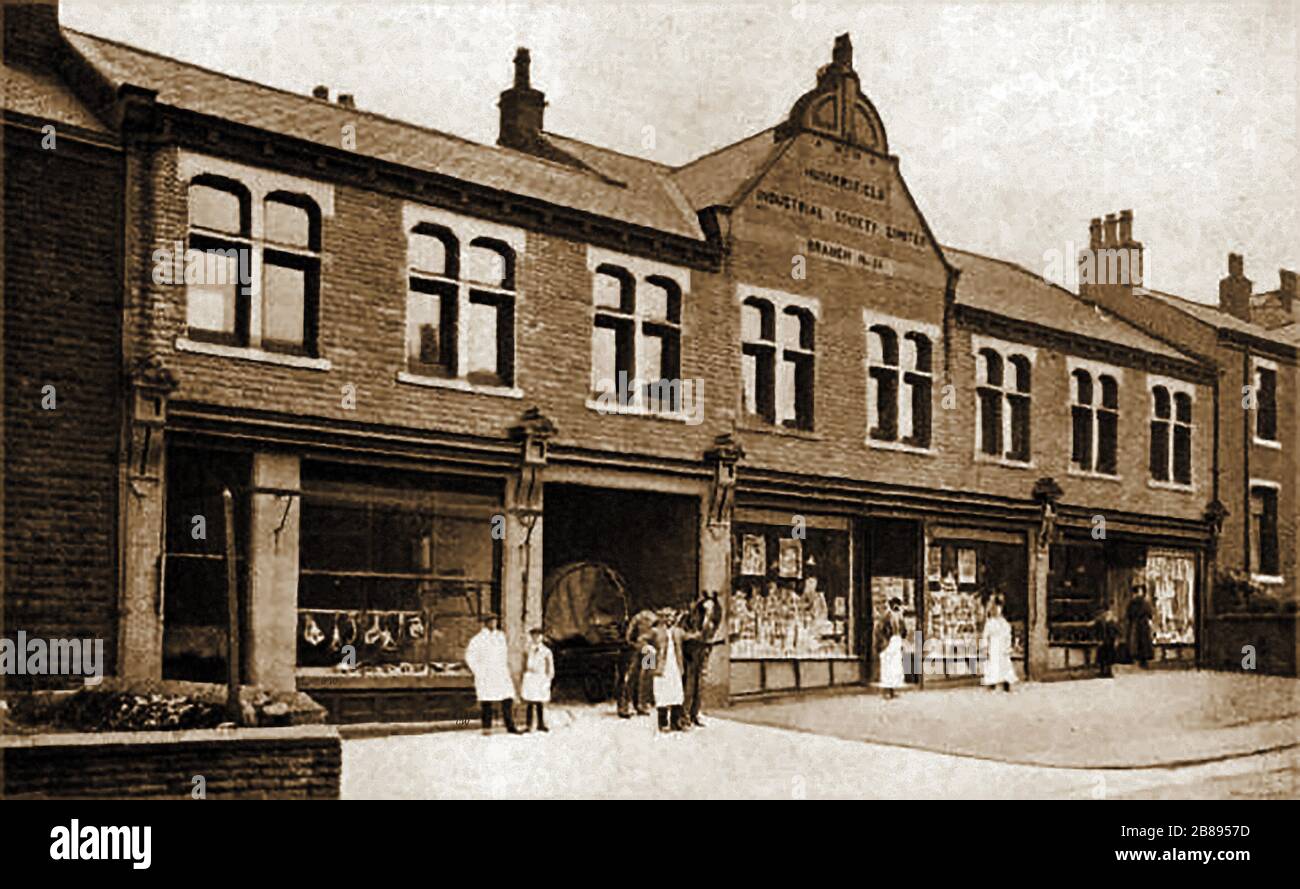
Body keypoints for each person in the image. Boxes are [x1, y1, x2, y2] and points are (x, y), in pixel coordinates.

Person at [464, 614, 521, 735]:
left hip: (500, 672)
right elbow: (470, 657)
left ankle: (510, 726)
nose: (493, 624)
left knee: (507, 698)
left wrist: (505, 669)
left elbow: (503, 655)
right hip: (486, 673)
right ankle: (486, 728)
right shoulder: (478, 639)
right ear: (485, 623)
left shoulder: (500, 636)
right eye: (491, 621)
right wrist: (478, 671)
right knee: (487, 701)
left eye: (495, 621)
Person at [649, 608, 697, 732]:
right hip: (660, 667)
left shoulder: (678, 632)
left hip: (674, 666)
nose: (670, 619)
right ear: (662, 618)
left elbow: (692, 637)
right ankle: (663, 723)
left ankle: (676, 723)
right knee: (662, 694)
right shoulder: (654, 632)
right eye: (667, 617)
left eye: (671, 617)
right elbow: (646, 647)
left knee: (676, 693)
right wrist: (649, 666)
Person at [682, 589, 724, 728]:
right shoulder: (690, 618)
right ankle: (685, 714)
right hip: (692, 651)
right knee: (690, 682)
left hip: (703, 649)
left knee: (700, 683)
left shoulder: (712, 619)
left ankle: (694, 712)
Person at [618, 608, 657, 718]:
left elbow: (628, 636)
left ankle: (628, 706)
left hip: (641, 649)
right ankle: (638, 705)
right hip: (647, 650)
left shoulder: (638, 617)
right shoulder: (654, 618)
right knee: (642, 678)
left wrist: (633, 643)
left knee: (634, 677)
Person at [980, 595, 1017, 692]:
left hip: (1002, 645)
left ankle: (1006, 682)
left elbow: (1008, 635)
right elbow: (985, 635)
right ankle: (995, 683)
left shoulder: (1004, 623)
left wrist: (1008, 646)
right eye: (996, 609)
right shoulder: (990, 623)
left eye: (999, 609)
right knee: (994, 664)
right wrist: (985, 647)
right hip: (994, 646)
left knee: (1005, 664)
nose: (998, 611)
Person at [520, 627, 554, 732]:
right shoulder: (528, 650)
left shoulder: (546, 651)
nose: (536, 638)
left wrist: (548, 678)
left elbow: (550, 666)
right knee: (530, 702)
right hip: (530, 677)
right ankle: (528, 725)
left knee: (540, 701)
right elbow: (524, 663)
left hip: (540, 677)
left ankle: (541, 724)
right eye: (534, 636)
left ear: (542, 637)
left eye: (538, 636)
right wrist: (524, 673)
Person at [877, 597, 906, 699]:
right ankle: (887, 690)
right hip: (889, 642)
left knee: (895, 666)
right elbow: (881, 629)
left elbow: (903, 631)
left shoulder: (899, 616)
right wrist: (884, 641)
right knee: (888, 666)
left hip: (896, 641)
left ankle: (893, 689)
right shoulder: (887, 616)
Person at [1126, 583, 1155, 669]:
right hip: (1141, 624)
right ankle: (1141, 660)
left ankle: (1140, 659)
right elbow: (1149, 614)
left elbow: (1129, 614)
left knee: (1140, 642)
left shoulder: (1136, 603)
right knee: (1141, 642)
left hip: (1139, 624)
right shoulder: (1142, 603)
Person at [1094, 607, 1120, 678]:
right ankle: (1102, 671)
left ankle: (1109, 671)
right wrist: (1098, 640)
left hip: (1110, 641)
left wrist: (1116, 640)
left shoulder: (1113, 622)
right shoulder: (1100, 621)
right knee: (1102, 657)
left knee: (1110, 657)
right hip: (1103, 641)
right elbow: (1097, 632)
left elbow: (1116, 632)